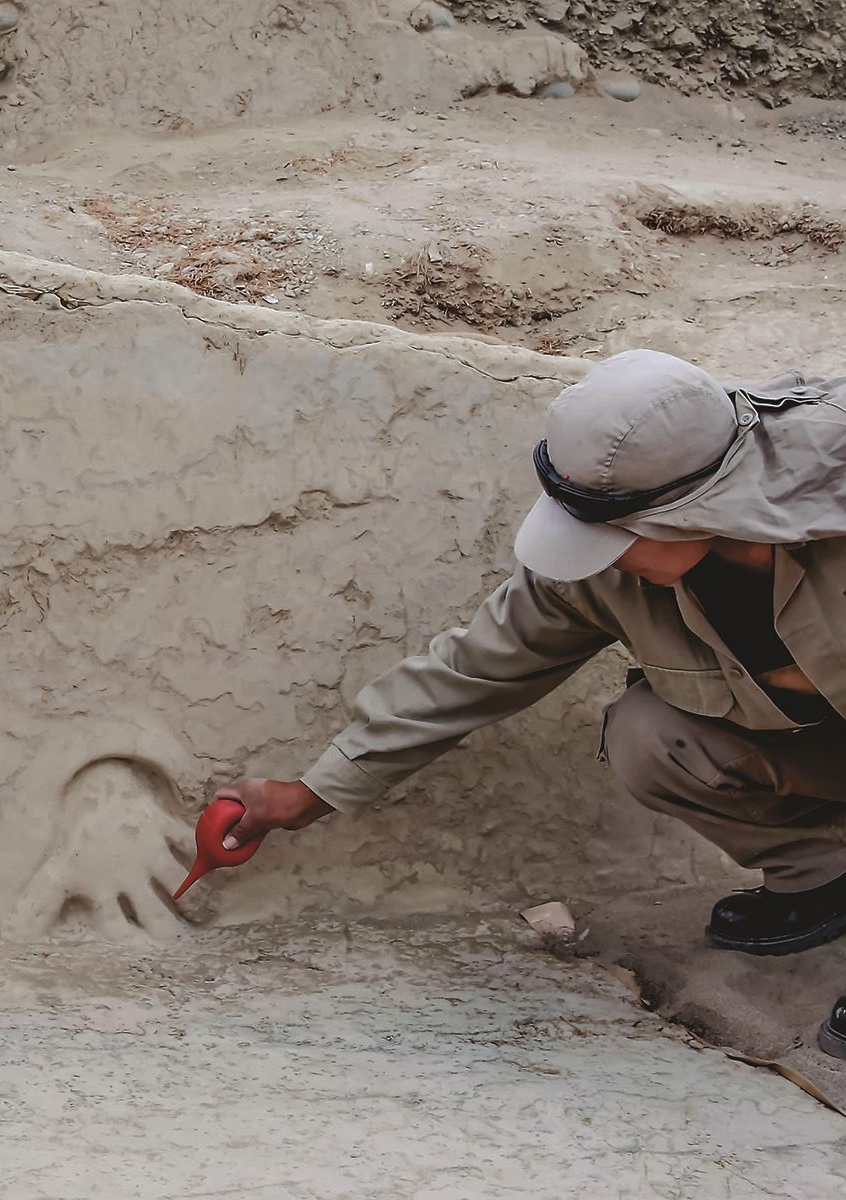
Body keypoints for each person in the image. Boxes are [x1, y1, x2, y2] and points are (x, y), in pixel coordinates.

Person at [213, 349, 846, 1061]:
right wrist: (310, 792)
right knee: (649, 734)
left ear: (701, 511)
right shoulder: (595, 574)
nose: (593, 556)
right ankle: (824, 876)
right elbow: (474, 670)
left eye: (615, 536)